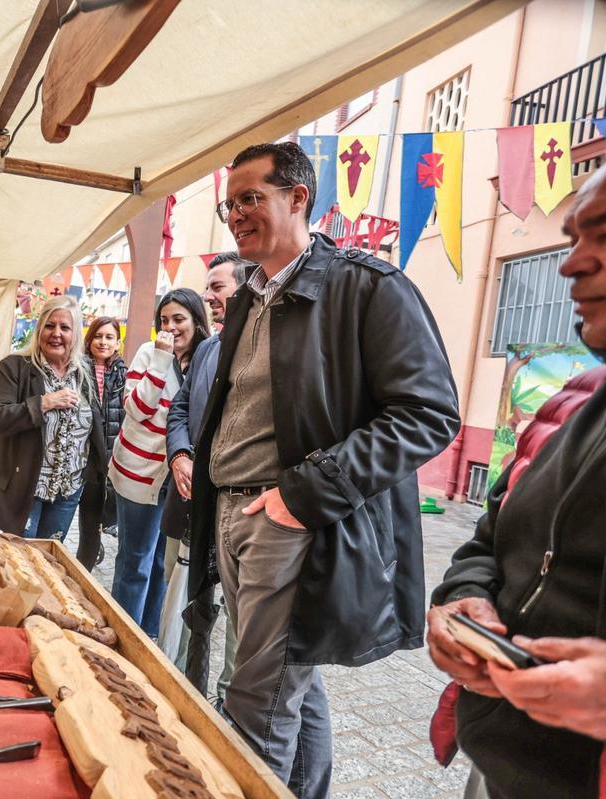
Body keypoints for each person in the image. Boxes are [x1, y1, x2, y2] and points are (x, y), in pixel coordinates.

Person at [188, 141, 459, 798]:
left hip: (291, 522)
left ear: (298, 197)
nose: (236, 215)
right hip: (235, 515)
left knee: (254, 705)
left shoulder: (368, 287)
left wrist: (302, 495)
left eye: (250, 197)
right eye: (230, 205)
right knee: (291, 690)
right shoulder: (249, 297)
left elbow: (429, 414)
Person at [426, 166, 606, 798]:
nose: (570, 264)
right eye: (574, 236)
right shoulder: (571, 404)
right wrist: (461, 602)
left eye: (603, 234)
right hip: (497, 762)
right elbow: (488, 540)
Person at [161, 252, 242, 693]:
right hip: (190, 502)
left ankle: (230, 699)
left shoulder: (269, 349)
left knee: (237, 611)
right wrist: (179, 456)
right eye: (208, 288)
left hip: (240, 511)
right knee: (183, 599)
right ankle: (179, 682)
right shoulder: (209, 348)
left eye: (217, 287)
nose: (208, 296)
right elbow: (178, 409)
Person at [110, 288, 211, 637]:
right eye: (164, 320)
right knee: (135, 560)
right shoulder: (148, 354)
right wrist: (161, 359)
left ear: (197, 322)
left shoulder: (206, 359)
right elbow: (136, 409)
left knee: (160, 563)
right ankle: (123, 635)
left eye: (179, 319)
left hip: (177, 480)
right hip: (139, 474)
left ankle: (149, 636)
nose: (170, 327)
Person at [0, 295, 106, 539]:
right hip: (22, 488)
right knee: (13, 561)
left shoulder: (84, 374)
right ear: (39, 329)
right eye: (50, 326)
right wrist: (44, 403)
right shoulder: (15, 367)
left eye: (65, 327)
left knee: (49, 561)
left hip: (67, 491)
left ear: (75, 335)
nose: (56, 334)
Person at [76, 315, 125, 569]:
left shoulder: (122, 373)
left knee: (93, 523)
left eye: (109, 337)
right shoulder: (77, 369)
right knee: (81, 520)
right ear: (89, 339)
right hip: (81, 459)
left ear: (118, 343)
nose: (103, 342)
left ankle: (84, 572)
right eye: (98, 336)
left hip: (106, 463)